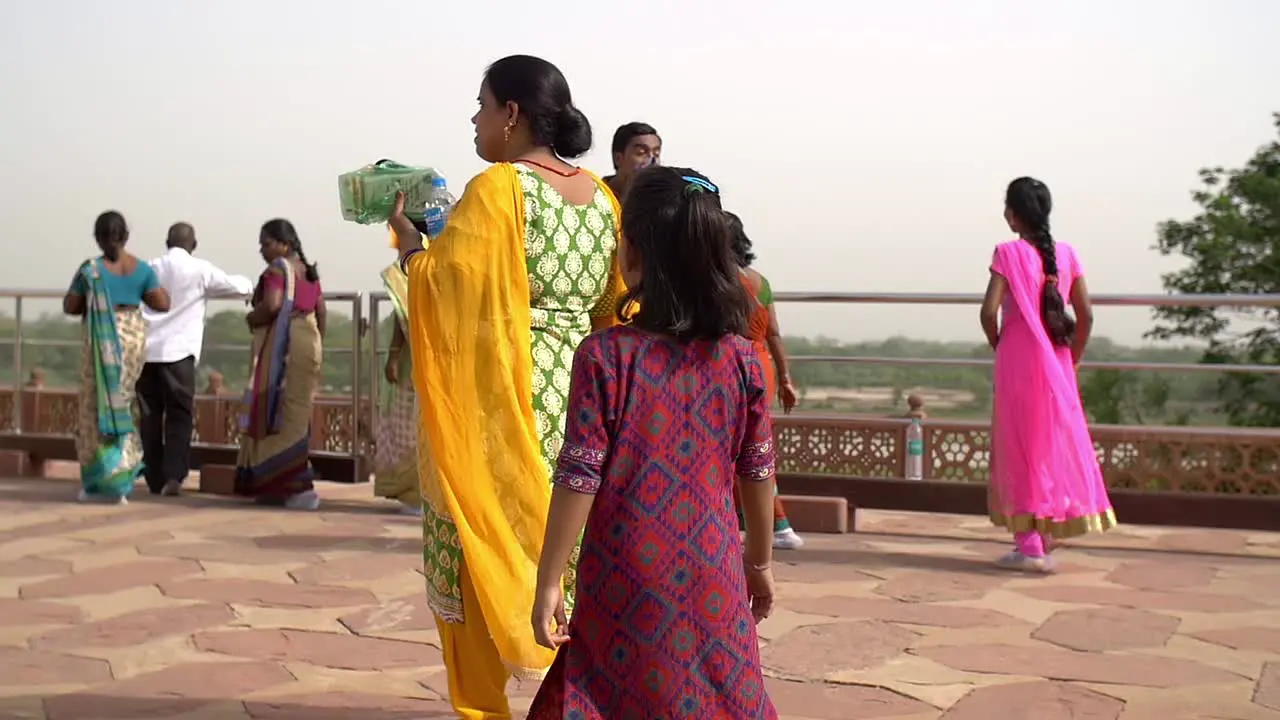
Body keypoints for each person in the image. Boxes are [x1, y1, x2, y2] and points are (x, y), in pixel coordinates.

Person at [388, 54, 626, 719]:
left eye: (482, 104)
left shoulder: (498, 189)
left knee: (471, 542)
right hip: (581, 401)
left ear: (512, 114)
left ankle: (482, 709)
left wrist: (410, 247)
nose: (476, 119)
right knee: (573, 563)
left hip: (507, 400)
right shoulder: (602, 198)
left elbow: (445, 287)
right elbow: (613, 304)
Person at [526, 167, 778, 719]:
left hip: (624, 568)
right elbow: (758, 473)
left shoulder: (606, 356)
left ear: (633, 251)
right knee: (720, 695)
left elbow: (578, 477)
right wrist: (757, 562)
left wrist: (549, 581)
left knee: (609, 691)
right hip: (715, 564)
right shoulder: (739, 360)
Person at [980, 177, 1116, 573]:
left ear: (1013, 214)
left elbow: (989, 313)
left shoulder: (1007, 253)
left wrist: (999, 343)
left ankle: (1029, 544)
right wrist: (1072, 356)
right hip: (1057, 362)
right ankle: (1046, 534)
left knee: (1020, 446)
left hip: (1018, 363)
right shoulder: (1068, 254)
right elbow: (1086, 315)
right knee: (1049, 444)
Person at [62, 211, 171, 503]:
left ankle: (98, 481)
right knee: (122, 400)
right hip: (131, 339)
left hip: (101, 339)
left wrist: (92, 298)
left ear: (98, 238)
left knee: (95, 404)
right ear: (126, 236)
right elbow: (162, 303)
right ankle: (121, 479)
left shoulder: (91, 270)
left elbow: (70, 306)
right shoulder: (142, 269)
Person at [140, 222, 253, 496]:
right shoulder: (200, 269)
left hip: (146, 353)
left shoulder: (149, 268)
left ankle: (153, 476)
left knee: (149, 416)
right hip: (179, 354)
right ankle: (173, 477)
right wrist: (251, 287)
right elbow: (237, 286)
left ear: (167, 241)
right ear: (194, 244)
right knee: (179, 415)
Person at [234, 218, 326, 511]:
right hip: (309, 341)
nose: (262, 250)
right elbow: (321, 311)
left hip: (285, 345)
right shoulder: (309, 273)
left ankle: (294, 485)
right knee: (296, 414)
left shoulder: (278, 269)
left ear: (284, 243)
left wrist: (251, 318)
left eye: (267, 243)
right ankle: (277, 485)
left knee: (278, 411)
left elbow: (273, 305)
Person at [726, 211, 804, 550]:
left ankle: (774, 524)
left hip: (733, 364)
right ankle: (776, 525)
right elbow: (774, 333)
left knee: (733, 448)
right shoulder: (761, 281)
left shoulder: (722, 281)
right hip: (763, 365)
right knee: (755, 445)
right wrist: (786, 378)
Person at [371, 248, 421, 515]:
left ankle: (415, 494)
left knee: (410, 425)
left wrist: (392, 357)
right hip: (439, 352)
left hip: (414, 359)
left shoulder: (412, 262)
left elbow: (405, 318)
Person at [602, 121, 661, 199]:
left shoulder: (659, 196)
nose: (652, 160)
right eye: (641, 153)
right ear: (618, 159)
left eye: (656, 154)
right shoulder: (597, 196)